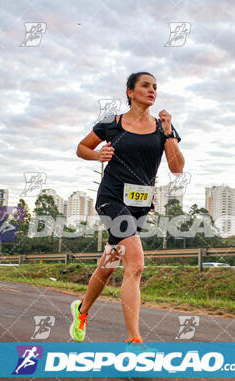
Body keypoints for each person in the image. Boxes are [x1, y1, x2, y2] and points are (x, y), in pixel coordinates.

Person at [71, 72, 185, 349]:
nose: (152, 90)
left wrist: (169, 134)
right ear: (130, 92)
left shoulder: (162, 128)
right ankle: (134, 339)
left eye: (155, 87)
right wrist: (99, 155)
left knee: (109, 264)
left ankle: (82, 311)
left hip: (139, 205)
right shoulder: (113, 124)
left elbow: (177, 167)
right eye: (145, 85)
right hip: (111, 198)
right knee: (136, 264)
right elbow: (81, 148)